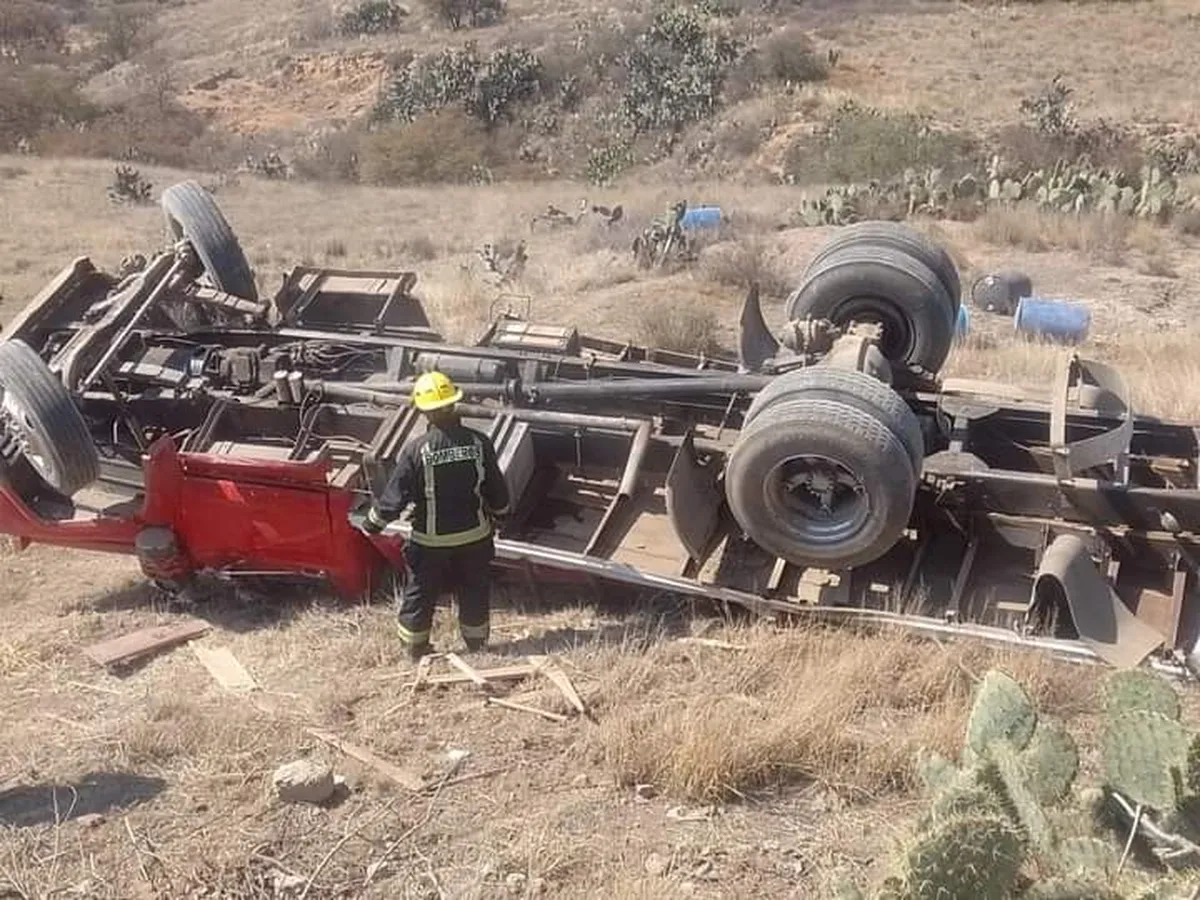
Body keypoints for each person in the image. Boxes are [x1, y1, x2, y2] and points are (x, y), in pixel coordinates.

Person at [355, 370, 510, 661]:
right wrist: (501, 516)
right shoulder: (479, 442)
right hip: (475, 538)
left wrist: (371, 525)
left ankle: (415, 648)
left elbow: (393, 498)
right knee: (474, 590)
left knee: (421, 594)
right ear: (454, 404)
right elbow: (497, 490)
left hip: (431, 542)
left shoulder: (417, 450)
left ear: (424, 411)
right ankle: (476, 646)